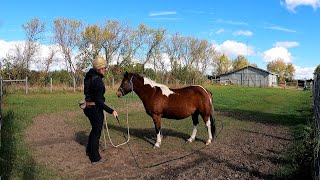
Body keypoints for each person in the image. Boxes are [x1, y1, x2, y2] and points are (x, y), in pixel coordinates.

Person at [83, 55, 118, 164]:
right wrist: (111, 110)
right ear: (99, 69)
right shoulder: (97, 80)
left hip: (87, 108)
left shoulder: (88, 77)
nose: (105, 70)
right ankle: (95, 157)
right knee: (97, 132)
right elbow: (99, 101)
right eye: (104, 68)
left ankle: (89, 150)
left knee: (94, 129)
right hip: (94, 109)